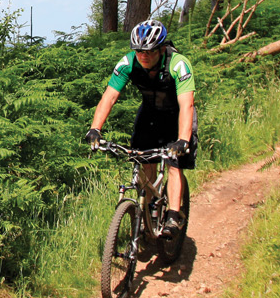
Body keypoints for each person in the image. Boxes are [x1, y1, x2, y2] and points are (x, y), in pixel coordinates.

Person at [83, 19, 197, 237]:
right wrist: (95, 128)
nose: (143, 56)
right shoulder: (127, 62)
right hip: (150, 112)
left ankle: (173, 215)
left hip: (177, 115)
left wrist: (183, 139)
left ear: (162, 49)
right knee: (143, 159)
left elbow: (187, 104)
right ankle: (150, 209)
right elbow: (110, 96)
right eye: (138, 51)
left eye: (149, 52)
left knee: (174, 163)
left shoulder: (178, 64)